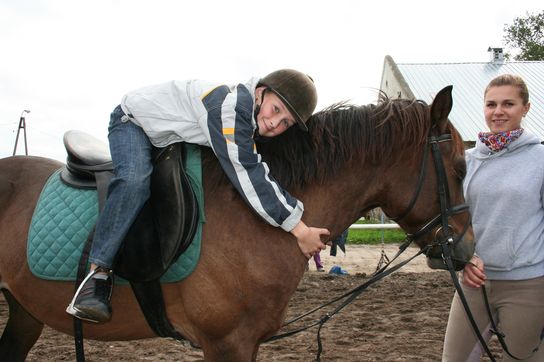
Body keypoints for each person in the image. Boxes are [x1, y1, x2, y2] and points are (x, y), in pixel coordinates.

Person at [66, 69, 330, 323]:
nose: (274, 123)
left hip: (168, 135)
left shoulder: (248, 114)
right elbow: (247, 171)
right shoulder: (230, 110)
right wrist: (298, 228)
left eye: (286, 123)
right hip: (133, 123)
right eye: (276, 109)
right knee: (134, 182)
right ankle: (97, 274)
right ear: (260, 93)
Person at [442, 74, 544, 361]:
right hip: (474, 284)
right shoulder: (466, 160)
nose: (498, 111)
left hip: (528, 286)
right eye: (491, 104)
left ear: (525, 108)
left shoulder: (540, 160)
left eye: (508, 103)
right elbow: (451, 220)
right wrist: (464, 259)